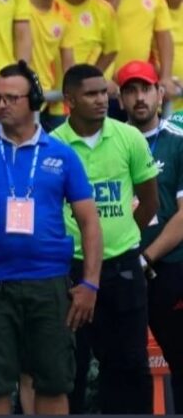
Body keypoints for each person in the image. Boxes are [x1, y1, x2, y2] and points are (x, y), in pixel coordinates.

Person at [0, 61, 101, 414]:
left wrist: (90, 283)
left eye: (12, 98)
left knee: (52, 383)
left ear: (35, 101)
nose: (2, 105)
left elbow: (90, 221)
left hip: (48, 285)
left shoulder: (62, 154)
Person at [51, 64, 159, 414]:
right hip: (71, 270)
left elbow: (150, 200)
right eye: (91, 94)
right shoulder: (52, 146)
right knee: (71, 367)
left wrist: (124, 237)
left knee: (129, 365)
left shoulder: (129, 138)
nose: (102, 100)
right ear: (69, 101)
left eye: (104, 92)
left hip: (123, 267)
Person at [119, 60, 183, 410]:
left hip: (170, 268)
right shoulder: (111, 144)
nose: (139, 97)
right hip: (121, 269)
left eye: (145, 89)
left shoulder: (178, 142)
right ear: (120, 98)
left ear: (160, 93)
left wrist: (147, 257)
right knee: (127, 367)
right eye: (130, 90)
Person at [29, 0, 76, 129]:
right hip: (18, 92)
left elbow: (68, 61)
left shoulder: (64, 16)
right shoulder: (20, 5)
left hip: (46, 95)